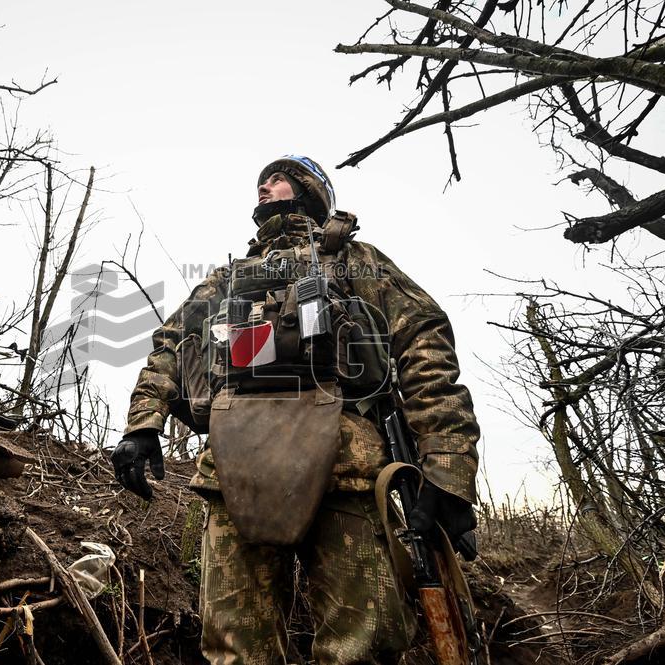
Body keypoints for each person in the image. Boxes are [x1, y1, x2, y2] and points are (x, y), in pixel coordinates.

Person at [112, 155, 480, 665]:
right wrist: (143, 423)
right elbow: (171, 344)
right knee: (236, 651)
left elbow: (425, 342)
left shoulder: (355, 259)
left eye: (278, 179)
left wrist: (449, 467)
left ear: (310, 190)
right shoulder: (228, 278)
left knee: (362, 647)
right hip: (234, 464)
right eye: (260, 182)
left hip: (344, 463)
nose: (264, 186)